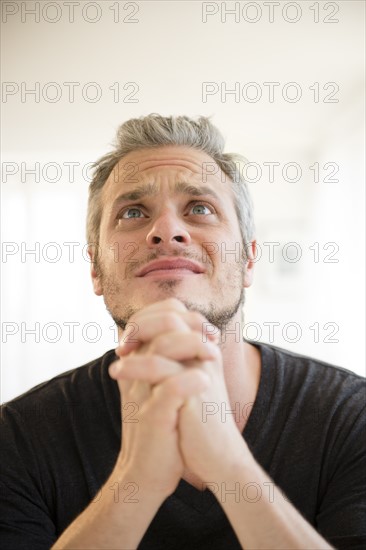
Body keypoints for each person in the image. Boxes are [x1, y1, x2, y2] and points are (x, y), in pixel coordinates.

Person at [1, 115, 365, 550]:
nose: (168, 231)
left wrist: (230, 466)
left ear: (248, 260)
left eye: (200, 209)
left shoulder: (353, 419)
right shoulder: (16, 438)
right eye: (133, 212)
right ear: (96, 269)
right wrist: (137, 482)